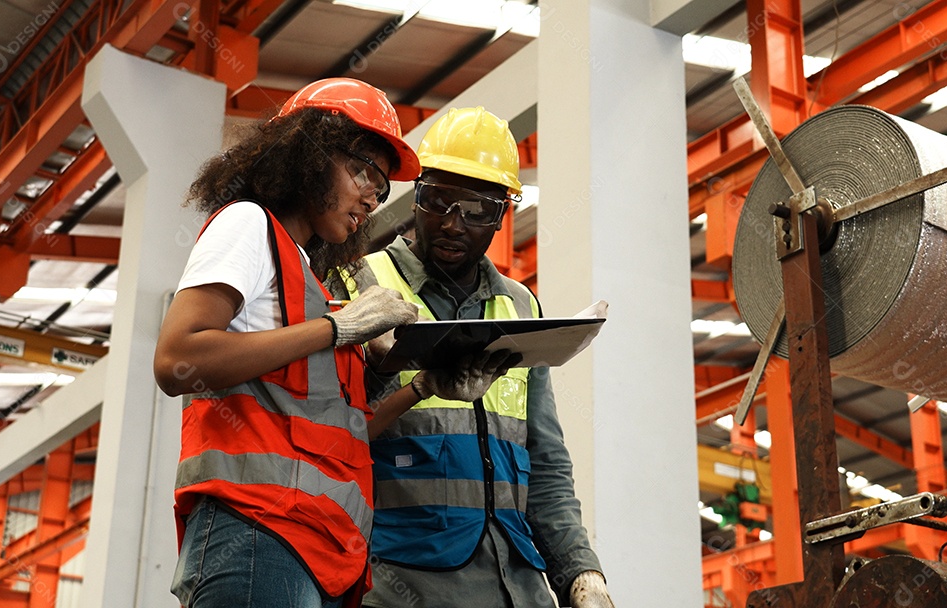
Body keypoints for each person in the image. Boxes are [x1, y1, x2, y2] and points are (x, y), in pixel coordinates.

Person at [153, 77, 423, 608]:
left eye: (381, 186)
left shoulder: (309, 284)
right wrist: (338, 329)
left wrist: (421, 387)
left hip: (316, 551)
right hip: (257, 535)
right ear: (310, 155)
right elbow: (176, 358)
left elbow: (339, 438)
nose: (372, 195)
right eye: (364, 172)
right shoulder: (248, 225)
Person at [342, 107, 615, 608]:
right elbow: (333, 432)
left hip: (517, 585)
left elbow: (545, 460)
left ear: (503, 214)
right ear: (417, 193)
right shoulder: (361, 283)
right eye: (437, 200)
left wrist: (580, 572)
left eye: (477, 210)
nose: (452, 223)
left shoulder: (521, 306)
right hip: (401, 583)